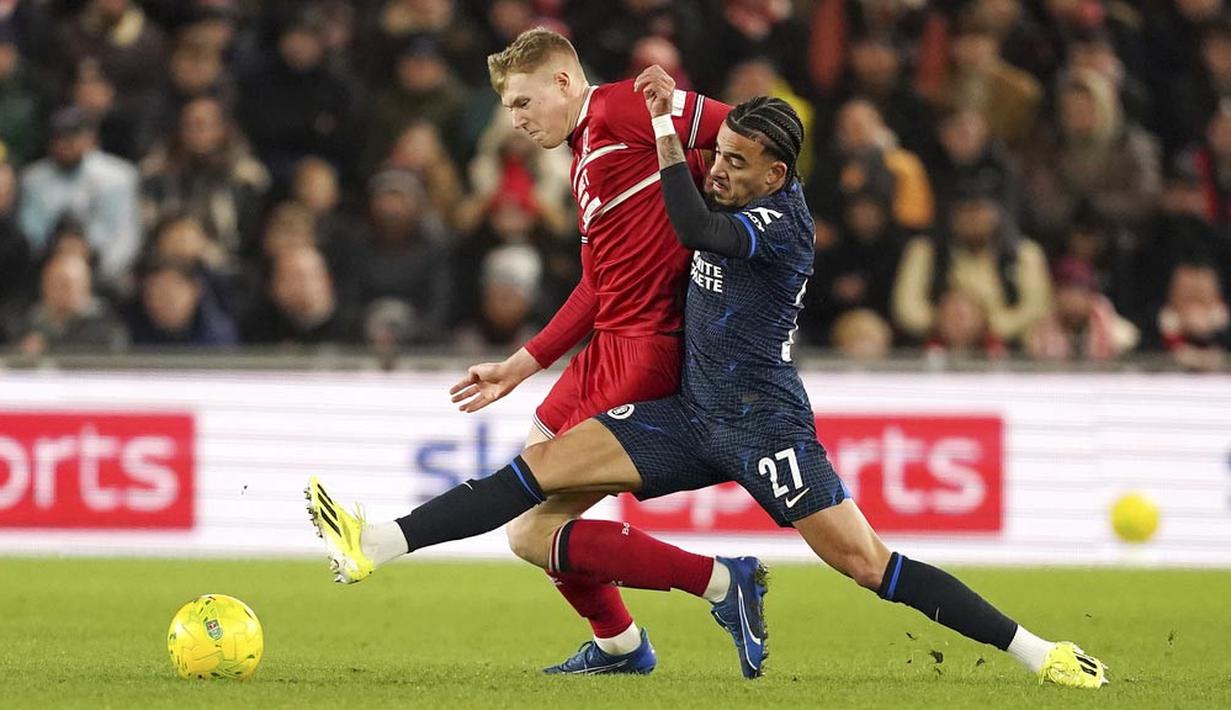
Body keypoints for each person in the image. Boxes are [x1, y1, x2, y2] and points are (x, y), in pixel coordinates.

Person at [307, 93, 1108, 690]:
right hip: (688, 415)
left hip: (765, 428)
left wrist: (663, 128)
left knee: (867, 564)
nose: (716, 169)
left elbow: (698, 230)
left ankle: (1038, 653)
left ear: (776, 173)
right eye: (714, 153)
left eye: (734, 161)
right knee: (533, 481)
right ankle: (380, 543)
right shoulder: (734, 184)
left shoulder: (782, 224)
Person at [442, 28, 731, 675]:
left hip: (638, 352)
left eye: (522, 103)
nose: (515, 122)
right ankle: (620, 645)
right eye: (509, 110)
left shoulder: (625, 107)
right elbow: (597, 283)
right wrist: (521, 365)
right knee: (532, 527)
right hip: (599, 353)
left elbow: (736, 128)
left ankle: (718, 584)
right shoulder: (584, 152)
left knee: (528, 532)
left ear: (565, 82)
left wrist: (734, 218)